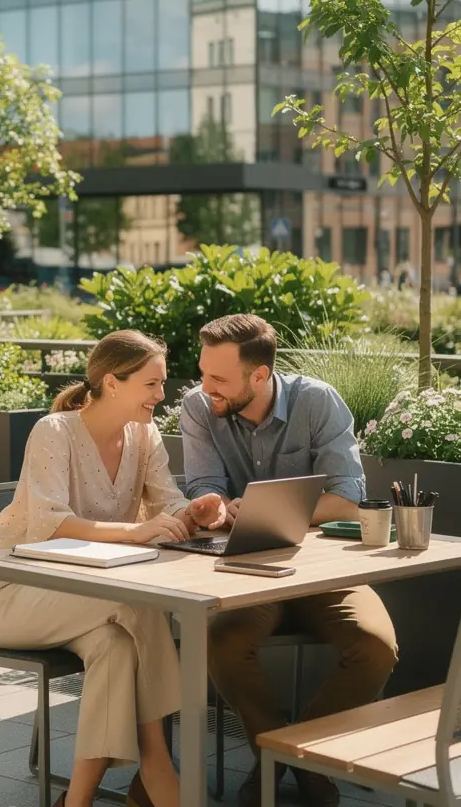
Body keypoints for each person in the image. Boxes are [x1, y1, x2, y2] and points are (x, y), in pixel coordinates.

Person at [0, 330, 226, 807]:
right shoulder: (54, 431)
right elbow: (49, 522)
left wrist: (194, 511)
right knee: (138, 605)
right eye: (151, 385)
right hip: (16, 594)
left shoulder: (144, 434)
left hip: (95, 602)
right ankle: (157, 763)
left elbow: (166, 501)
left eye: (163, 384)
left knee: (115, 648)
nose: (161, 396)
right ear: (113, 383)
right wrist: (134, 532)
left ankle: (77, 801)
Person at [181, 313, 398, 807]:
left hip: (323, 569)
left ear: (259, 376)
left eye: (218, 378)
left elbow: (347, 498)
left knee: (376, 646)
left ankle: (289, 758)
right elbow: (202, 484)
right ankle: (299, 765)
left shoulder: (316, 400)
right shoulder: (199, 406)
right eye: (202, 372)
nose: (204, 386)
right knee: (224, 643)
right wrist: (212, 504)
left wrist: (261, 512)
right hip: (245, 570)